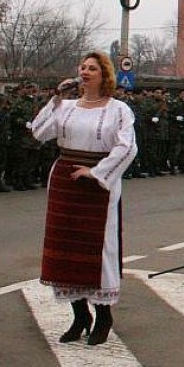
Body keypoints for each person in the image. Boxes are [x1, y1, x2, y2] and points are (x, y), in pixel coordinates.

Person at [30, 51, 137, 346]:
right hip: (65, 180)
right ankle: (79, 316)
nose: (86, 72)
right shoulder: (65, 107)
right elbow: (39, 133)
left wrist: (96, 172)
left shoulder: (118, 110)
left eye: (93, 68)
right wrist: (54, 99)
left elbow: (127, 148)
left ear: (104, 74)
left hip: (97, 184)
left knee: (98, 248)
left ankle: (103, 315)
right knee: (64, 245)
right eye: (83, 67)